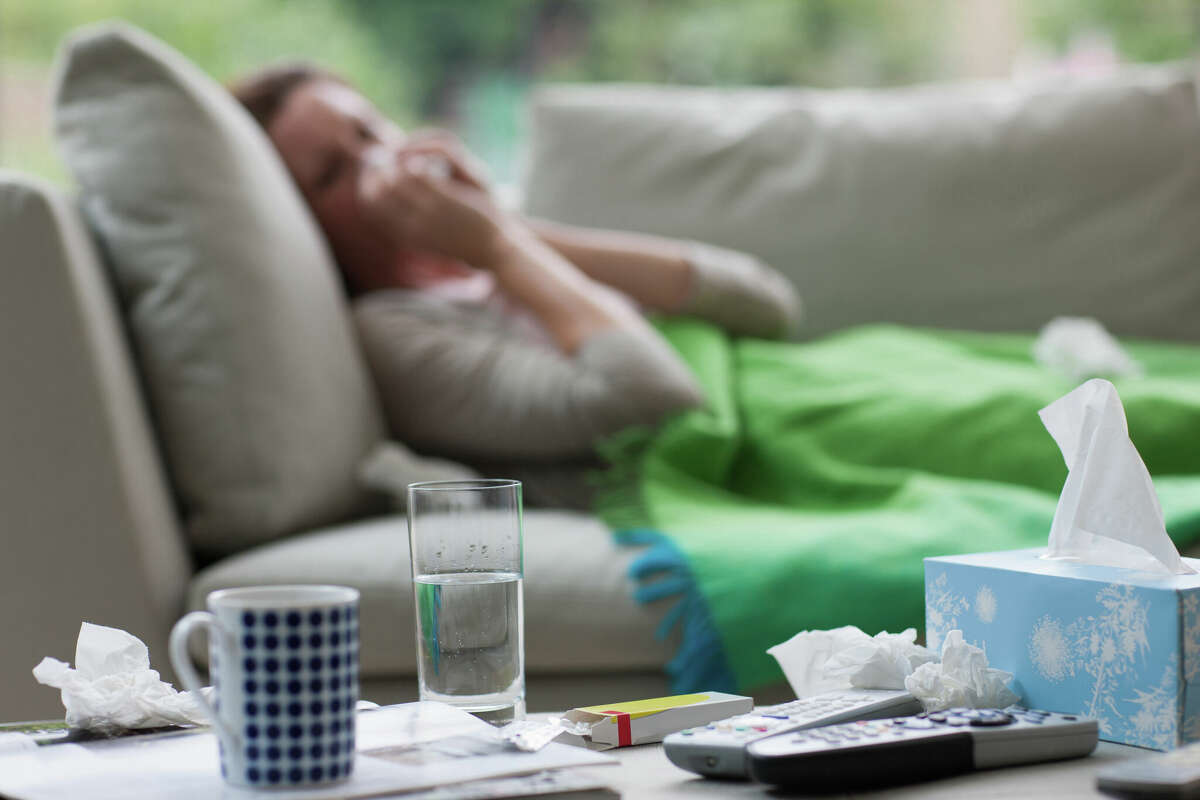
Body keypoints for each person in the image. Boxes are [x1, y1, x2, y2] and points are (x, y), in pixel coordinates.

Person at [231, 64, 801, 507]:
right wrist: (498, 247)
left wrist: (506, 232)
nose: (378, 161)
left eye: (368, 129)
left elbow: (768, 303)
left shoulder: (502, 254)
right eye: (332, 173)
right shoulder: (390, 333)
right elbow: (656, 403)